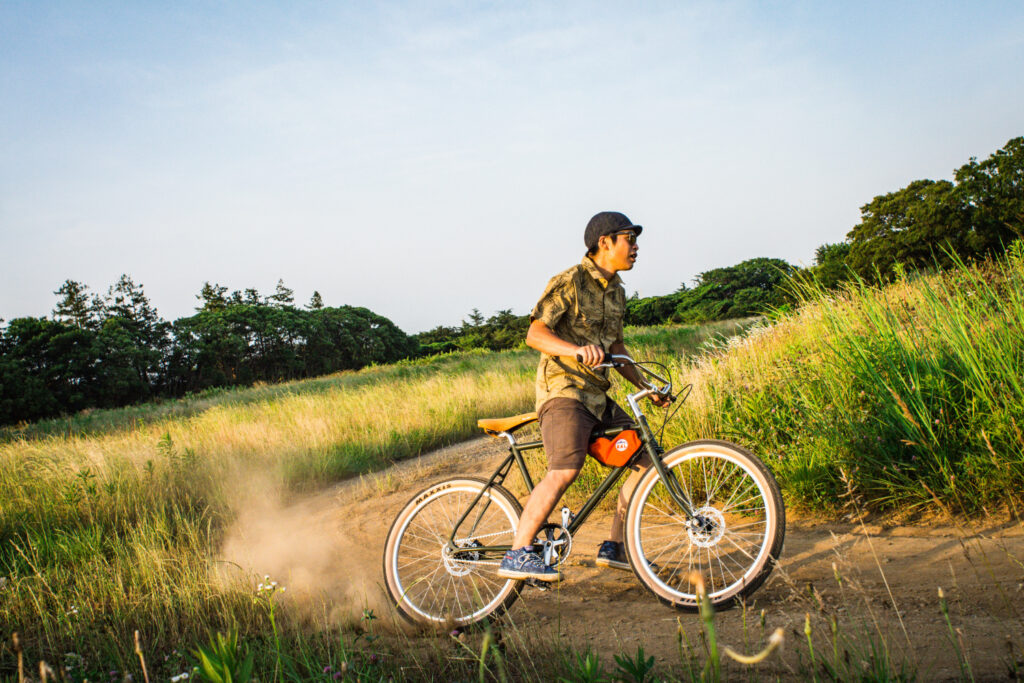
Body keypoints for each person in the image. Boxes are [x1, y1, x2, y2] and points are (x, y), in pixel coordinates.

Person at [497, 211, 670, 582]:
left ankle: (617, 547)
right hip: (563, 389)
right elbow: (534, 334)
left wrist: (644, 385)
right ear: (604, 242)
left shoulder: (618, 291)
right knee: (566, 468)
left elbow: (616, 347)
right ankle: (518, 552)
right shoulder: (570, 281)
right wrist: (574, 351)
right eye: (629, 238)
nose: (636, 246)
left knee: (645, 462)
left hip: (596, 395)